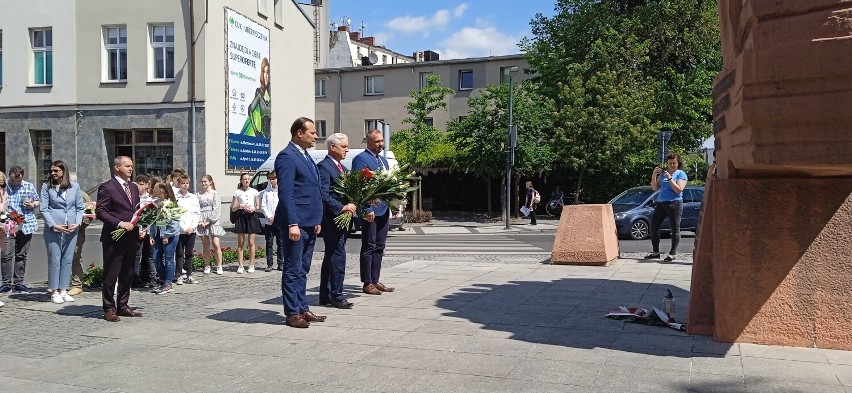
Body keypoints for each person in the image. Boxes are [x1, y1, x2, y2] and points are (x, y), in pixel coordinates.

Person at [274, 116, 325, 328]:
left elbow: (311, 190)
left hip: (309, 222)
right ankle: (292, 312)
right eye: (312, 132)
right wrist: (292, 223)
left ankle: (303, 308)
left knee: (303, 268)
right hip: (295, 223)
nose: (316, 136)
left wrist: (317, 219)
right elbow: (286, 194)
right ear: (299, 133)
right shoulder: (287, 156)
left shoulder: (306, 156)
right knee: (293, 269)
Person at [95, 156, 143, 321]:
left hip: (131, 237)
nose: (131, 169)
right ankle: (109, 307)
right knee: (111, 273)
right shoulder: (107, 187)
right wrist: (119, 223)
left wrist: (141, 226)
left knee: (128, 273)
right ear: (117, 167)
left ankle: (122, 305)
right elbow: (101, 212)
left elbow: (136, 210)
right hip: (114, 238)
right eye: (127, 166)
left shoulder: (134, 187)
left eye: (132, 166)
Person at [351, 129, 395, 295]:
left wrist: (393, 204)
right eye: (377, 142)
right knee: (369, 245)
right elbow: (359, 186)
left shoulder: (383, 160)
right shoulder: (361, 159)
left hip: (383, 210)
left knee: (380, 246)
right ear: (368, 142)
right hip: (370, 211)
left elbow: (388, 186)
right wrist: (366, 208)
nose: (381, 144)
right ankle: (367, 282)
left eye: (382, 141)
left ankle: (376, 280)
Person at [317, 133, 357, 309]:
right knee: (337, 257)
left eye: (347, 146)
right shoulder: (324, 167)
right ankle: (337, 295)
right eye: (344, 146)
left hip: (343, 220)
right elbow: (323, 195)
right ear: (332, 147)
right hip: (332, 219)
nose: (347, 149)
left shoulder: (342, 168)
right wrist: (341, 207)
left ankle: (325, 294)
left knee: (331, 256)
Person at [40, 160, 85, 304]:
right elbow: (44, 209)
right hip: (54, 228)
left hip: (71, 227)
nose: (53, 173)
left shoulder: (75, 187)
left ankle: (64, 290)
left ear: (63, 172)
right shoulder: (47, 187)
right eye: (51, 171)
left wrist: (77, 223)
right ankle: (54, 291)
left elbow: (79, 207)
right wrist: (53, 225)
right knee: (55, 259)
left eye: (56, 171)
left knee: (67, 259)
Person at [1, 166, 40, 294]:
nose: (16, 183)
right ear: (9, 176)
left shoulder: (28, 186)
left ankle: (19, 283)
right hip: (8, 224)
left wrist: (33, 204)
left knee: (21, 254)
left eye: (18, 181)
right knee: (6, 254)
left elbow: (37, 200)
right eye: (13, 181)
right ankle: (6, 283)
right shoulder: (4, 185)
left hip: (25, 223)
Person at [646, 153, 689, 262]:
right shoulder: (664, 174)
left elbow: (679, 189)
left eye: (674, 163)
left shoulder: (681, 174)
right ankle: (655, 252)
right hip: (661, 202)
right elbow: (655, 188)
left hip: (674, 203)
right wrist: (654, 175)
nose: (672, 165)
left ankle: (672, 253)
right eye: (670, 163)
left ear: (678, 163)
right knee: (653, 226)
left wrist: (670, 178)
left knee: (674, 228)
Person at [148, 183, 180, 294]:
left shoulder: (170, 204)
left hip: (168, 236)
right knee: (156, 258)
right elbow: (153, 221)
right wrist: (151, 235)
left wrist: (166, 235)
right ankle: (162, 280)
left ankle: (168, 283)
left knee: (169, 259)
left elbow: (174, 222)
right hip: (158, 234)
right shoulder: (156, 203)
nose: (153, 190)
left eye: (155, 188)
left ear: (162, 190)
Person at [68, 172, 93, 296]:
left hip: (77, 232)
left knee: (75, 257)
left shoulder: (82, 196)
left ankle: (77, 284)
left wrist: (78, 224)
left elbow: (88, 216)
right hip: (61, 230)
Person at [231, 173, 261, 273]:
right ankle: (240, 265)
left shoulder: (255, 191)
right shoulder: (237, 192)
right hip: (241, 216)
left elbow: (257, 206)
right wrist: (240, 206)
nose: (247, 181)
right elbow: (233, 208)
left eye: (248, 179)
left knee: (251, 242)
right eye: (245, 179)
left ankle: (251, 264)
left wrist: (253, 209)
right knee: (240, 242)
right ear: (241, 181)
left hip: (251, 216)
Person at [197, 174, 225, 275]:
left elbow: (217, 209)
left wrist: (209, 220)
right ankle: (207, 265)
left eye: (205, 181)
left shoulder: (215, 194)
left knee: (216, 243)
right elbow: (197, 208)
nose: (204, 183)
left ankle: (219, 265)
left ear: (210, 182)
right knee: (205, 245)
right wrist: (200, 220)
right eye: (202, 182)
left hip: (213, 220)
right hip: (202, 220)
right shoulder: (198, 194)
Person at [175, 174, 200, 284]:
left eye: (187, 183)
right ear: (179, 185)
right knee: (179, 253)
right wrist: (184, 228)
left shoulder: (193, 197)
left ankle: (189, 274)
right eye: (183, 183)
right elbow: (175, 215)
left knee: (189, 252)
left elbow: (196, 213)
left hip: (191, 230)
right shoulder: (175, 197)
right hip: (180, 230)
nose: (185, 185)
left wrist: (192, 227)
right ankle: (179, 274)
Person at [132, 174, 157, 288]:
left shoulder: (150, 199)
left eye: (142, 184)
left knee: (149, 254)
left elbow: (154, 217)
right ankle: (135, 278)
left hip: (149, 229)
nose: (139, 187)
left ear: (147, 185)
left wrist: (146, 230)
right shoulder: (133, 198)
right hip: (137, 229)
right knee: (137, 255)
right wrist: (139, 230)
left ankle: (149, 277)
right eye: (138, 184)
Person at [241, 57, 271, 138]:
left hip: (272, 137)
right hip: (262, 135)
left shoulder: (273, 94)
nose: (266, 76)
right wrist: (256, 131)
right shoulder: (259, 93)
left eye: (268, 72)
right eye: (264, 72)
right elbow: (250, 110)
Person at [260, 172, 284, 272]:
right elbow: (263, 206)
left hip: (279, 221)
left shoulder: (281, 191)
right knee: (269, 243)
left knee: (280, 243)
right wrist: (269, 216)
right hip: (269, 222)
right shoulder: (266, 192)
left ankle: (280, 263)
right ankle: (269, 264)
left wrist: (277, 216)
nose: (272, 181)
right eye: (271, 179)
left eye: (274, 179)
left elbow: (283, 205)